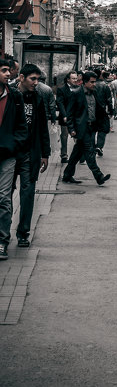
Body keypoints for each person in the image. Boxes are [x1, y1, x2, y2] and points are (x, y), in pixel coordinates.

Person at [12, 63, 51, 248]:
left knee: (27, 192)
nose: (36, 83)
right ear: (21, 77)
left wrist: (45, 153)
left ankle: (23, 233)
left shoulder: (38, 98)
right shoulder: (9, 94)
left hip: (30, 152)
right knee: (5, 194)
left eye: (38, 79)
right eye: (32, 79)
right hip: (10, 152)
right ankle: (4, 231)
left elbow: (43, 126)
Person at [0, 58, 28, 260]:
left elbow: (21, 126)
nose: (8, 74)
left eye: (8, 71)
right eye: (3, 71)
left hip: (7, 155)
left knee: (3, 198)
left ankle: (2, 240)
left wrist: (14, 144)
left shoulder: (14, 96)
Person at [63, 71, 111, 185]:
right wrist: (71, 129)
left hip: (92, 127)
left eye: (95, 81)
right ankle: (99, 176)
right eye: (92, 82)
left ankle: (67, 175)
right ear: (84, 82)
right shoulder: (76, 93)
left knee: (77, 153)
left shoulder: (95, 93)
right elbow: (70, 113)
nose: (94, 84)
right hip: (82, 128)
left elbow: (99, 109)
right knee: (89, 152)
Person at [56, 71, 79, 163]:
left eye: (76, 78)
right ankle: (64, 155)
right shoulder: (61, 89)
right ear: (68, 79)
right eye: (73, 78)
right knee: (64, 136)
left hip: (76, 117)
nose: (75, 80)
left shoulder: (78, 88)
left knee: (77, 136)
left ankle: (79, 155)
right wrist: (65, 115)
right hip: (65, 117)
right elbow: (60, 102)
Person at [95, 69, 113, 153]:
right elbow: (109, 100)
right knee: (102, 129)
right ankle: (99, 146)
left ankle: (92, 146)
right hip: (102, 110)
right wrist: (111, 111)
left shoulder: (89, 85)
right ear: (100, 75)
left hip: (91, 111)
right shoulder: (105, 86)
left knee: (92, 130)